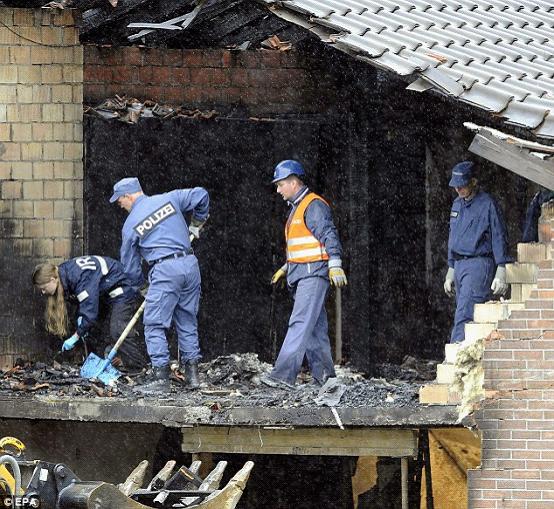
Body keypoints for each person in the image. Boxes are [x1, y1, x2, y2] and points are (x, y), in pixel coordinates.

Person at [110, 177, 209, 393]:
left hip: (165, 270)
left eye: (120, 201)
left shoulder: (131, 225)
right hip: (189, 264)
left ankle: (161, 377)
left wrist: (142, 286)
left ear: (127, 196)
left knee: (154, 323)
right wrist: (196, 224)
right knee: (186, 318)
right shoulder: (170, 199)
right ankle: (192, 375)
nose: (120, 206)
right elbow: (201, 194)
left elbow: (129, 266)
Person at [262, 160, 347, 389]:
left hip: (312, 275)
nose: (278, 190)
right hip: (302, 273)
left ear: (293, 182)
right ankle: (326, 379)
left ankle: (282, 376)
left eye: (280, 185)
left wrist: (335, 263)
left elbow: (328, 234)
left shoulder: (313, 205)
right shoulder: (297, 208)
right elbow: (304, 245)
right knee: (314, 330)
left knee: (299, 323)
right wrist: (287, 267)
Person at [32, 256, 148, 369]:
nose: (43, 292)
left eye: (44, 288)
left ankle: (138, 366)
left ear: (53, 280)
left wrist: (76, 336)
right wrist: (81, 320)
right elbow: (83, 301)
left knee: (118, 330)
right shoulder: (64, 272)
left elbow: (90, 311)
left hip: (122, 286)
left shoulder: (78, 277)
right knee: (93, 329)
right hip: (105, 291)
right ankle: (99, 364)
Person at [443, 161, 511, 343]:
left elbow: (499, 235)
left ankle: (455, 359)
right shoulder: (457, 205)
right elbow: (453, 236)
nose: (458, 189)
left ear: (474, 182)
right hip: (459, 264)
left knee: (466, 314)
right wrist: (451, 268)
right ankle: (461, 360)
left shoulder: (487, 204)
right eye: (456, 186)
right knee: (463, 310)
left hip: (478, 264)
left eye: (462, 185)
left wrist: (502, 268)